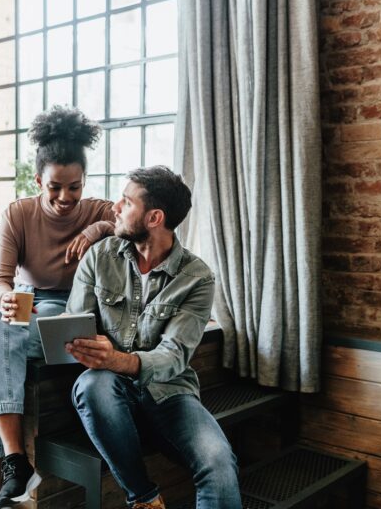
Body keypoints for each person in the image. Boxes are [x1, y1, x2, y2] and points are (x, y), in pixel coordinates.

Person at [65, 166, 242, 509]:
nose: (115, 207)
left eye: (126, 202)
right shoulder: (99, 256)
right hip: (109, 389)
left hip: (169, 392)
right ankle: (144, 499)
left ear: (154, 217)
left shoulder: (197, 278)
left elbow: (174, 356)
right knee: (91, 385)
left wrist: (117, 358)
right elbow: (75, 324)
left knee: (219, 462)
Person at [0, 106, 115, 509]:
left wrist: (96, 228)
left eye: (74, 187)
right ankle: (17, 458)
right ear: (38, 180)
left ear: (84, 182)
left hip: (70, 309)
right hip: (28, 301)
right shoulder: (18, 213)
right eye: (55, 187)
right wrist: (3, 296)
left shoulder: (99, 210)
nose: (65, 197)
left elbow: (127, 225)